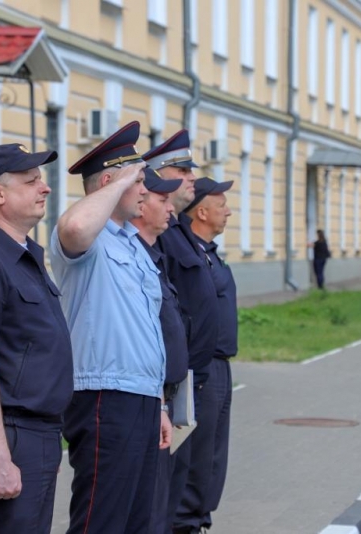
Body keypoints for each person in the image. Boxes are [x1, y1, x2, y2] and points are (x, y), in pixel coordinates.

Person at [49, 121, 172, 533]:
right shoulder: (89, 239)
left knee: (137, 520)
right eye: (138, 181)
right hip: (105, 396)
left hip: (140, 395)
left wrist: (158, 403)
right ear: (109, 183)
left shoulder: (129, 244)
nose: (145, 190)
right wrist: (119, 183)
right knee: (101, 520)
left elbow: (145, 331)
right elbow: (73, 228)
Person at [0, 143, 74, 534]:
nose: (45, 188)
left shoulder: (21, 253)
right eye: (31, 182)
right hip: (12, 434)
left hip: (38, 433)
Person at [143, 130, 220, 532]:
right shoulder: (160, 235)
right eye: (182, 170)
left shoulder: (179, 230)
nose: (192, 178)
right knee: (164, 486)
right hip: (172, 383)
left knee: (185, 475)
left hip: (192, 377)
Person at [178, 177, 238, 533]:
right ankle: (185, 521)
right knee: (199, 452)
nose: (228, 212)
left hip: (221, 365)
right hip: (202, 366)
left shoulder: (208, 253)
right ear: (201, 212)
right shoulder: (188, 253)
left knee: (215, 453)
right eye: (222, 205)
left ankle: (200, 518)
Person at [131, 168, 189, 534]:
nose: (170, 208)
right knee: (144, 508)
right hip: (140, 398)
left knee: (160, 502)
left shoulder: (152, 255)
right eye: (162, 199)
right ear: (139, 205)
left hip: (161, 396)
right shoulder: (129, 255)